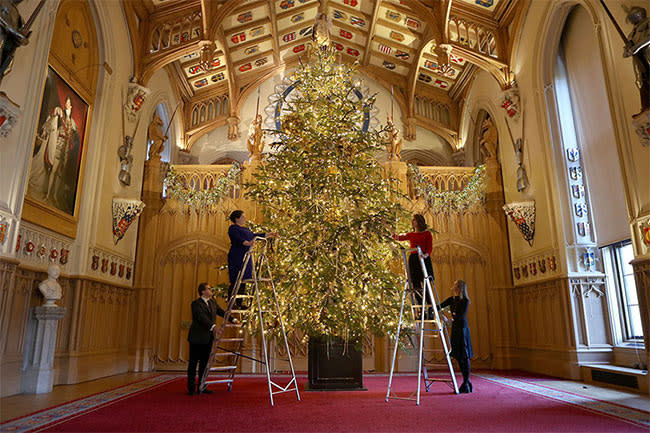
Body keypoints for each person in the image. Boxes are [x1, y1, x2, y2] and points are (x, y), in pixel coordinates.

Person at [227, 210, 276, 308]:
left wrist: (269, 234)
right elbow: (237, 239)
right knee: (237, 279)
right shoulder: (233, 228)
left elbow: (255, 236)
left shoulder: (246, 230)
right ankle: (232, 302)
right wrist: (247, 243)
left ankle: (240, 303)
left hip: (246, 256)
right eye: (243, 217)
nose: (245, 218)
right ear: (237, 218)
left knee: (244, 279)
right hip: (237, 256)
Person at [187, 282, 227, 396]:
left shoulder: (213, 302)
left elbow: (221, 312)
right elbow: (201, 317)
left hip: (208, 338)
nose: (211, 290)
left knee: (204, 363)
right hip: (196, 338)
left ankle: (202, 386)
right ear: (203, 291)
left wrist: (233, 319)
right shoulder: (196, 304)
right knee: (193, 363)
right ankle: (191, 388)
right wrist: (214, 327)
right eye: (209, 289)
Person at [392, 214, 434, 313]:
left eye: (414, 220)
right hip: (414, 259)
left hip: (423, 258)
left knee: (426, 283)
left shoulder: (427, 234)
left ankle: (430, 306)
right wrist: (388, 227)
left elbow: (429, 247)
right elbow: (398, 238)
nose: (412, 222)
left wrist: (426, 255)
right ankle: (420, 307)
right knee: (415, 284)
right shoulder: (411, 235)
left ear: (419, 222)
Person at [437, 280, 474, 394]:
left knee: (464, 356)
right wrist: (440, 314)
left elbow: (461, 317)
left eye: (455, 285)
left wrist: (448, 320)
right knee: (458, 356)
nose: (452, 286)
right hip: (455, 329)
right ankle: (467, 383)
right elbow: (438, 306)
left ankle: (466, 382)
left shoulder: (465, 301)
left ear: (459, 287)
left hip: (462, 330)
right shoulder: (451, 299)